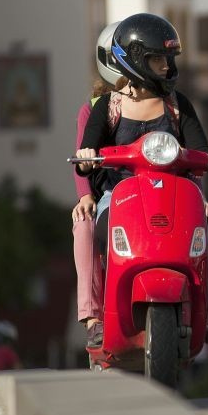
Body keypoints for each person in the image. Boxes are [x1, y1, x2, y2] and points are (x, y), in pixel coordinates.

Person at [74, 13, 208, 342]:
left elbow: (200, 151)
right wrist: (87, 158)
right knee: (93, 228)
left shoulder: (178, 105)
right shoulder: (107, 106)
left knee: (207, 226)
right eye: (157, 59)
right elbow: (87, 150)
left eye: (168, 59)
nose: (166, 67)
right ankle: (94, 318)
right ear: (134, 61)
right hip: (120, 196)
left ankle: (203, 311)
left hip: (173, 195)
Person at [72, 22, 121, 347]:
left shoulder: (164, 104)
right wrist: (85, 196)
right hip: (110, 194)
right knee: (85, 224)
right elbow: (80, 158)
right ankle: (92, 317)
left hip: (154, 192)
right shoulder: (93, 108)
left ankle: (200, 312)